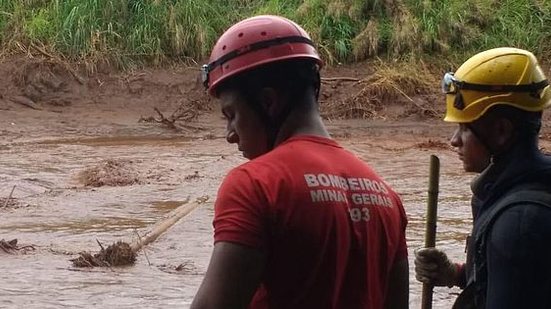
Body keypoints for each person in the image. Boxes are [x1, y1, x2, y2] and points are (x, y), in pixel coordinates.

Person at [190, 15, 409, 309]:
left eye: (232, 115)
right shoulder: (387, 197)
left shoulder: (255, 185)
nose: (230, 135)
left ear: (268, 102)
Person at [414, 47, 551, 309]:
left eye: (465, 128)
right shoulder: (525, 191)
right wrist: (456, 274)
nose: (454, 141)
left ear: (501, 131)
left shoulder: (519, 224)